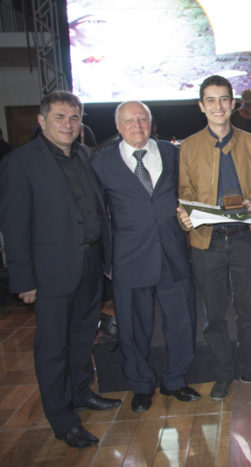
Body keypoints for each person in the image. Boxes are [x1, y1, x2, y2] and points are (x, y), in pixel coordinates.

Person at [0, 91, 119, 448]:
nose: (68, 125)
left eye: (73, 118)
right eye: (59, 118)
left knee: (84, 336)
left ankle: (81, 393)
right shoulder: (21, 163)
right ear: (42, 121)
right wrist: (23, 279)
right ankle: (62, 419)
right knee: (53, 347)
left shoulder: (85, 154)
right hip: (50, 272)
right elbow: (14, 225)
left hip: (89, 264)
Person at [178, 75, 251, 400]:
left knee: (250, 311)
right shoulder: (189, 146)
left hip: (244, 238)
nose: (218, 106)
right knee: (214, 313)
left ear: (234, 103)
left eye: (224, 99)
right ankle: (223, 375)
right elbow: (184, 191)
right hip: (206, 240)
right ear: (201, 106)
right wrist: (184, 215)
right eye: (211, 100)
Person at [92, 101, 199, 413]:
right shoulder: (101, 162)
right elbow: (97, 212)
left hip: (173, 253)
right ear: (117, 126)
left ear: (152, 123)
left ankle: (176, 379)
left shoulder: (173, 153)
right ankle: (140, 385)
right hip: (128, 258)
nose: (136, 126)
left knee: (181, 321)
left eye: (142, 119)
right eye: (129, 120)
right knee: (132, 327)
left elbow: (190, 193)